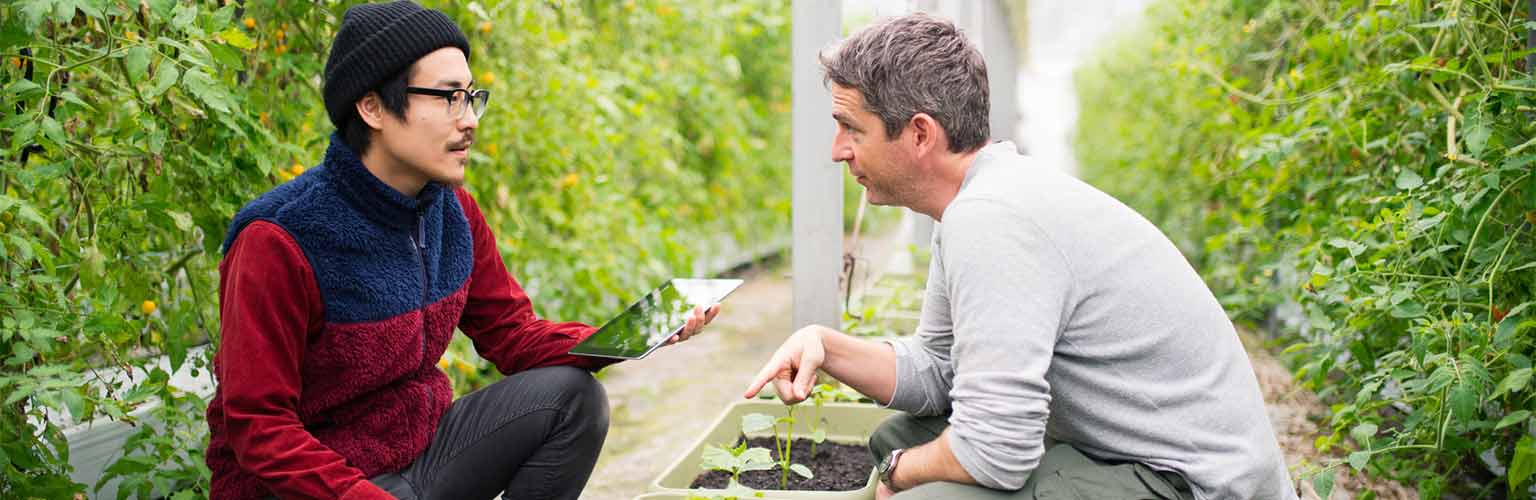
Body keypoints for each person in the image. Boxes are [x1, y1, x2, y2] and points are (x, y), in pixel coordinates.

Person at [744, 13, 1296, 500]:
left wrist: (897, 474)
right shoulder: (977, 201)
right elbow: (939, 370)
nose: (836, 149)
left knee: (916, 489)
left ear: (918, 135)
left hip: (1191, 483)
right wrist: (825, 343)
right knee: (898, 435)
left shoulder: (995, 223)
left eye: (850, 128)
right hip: (1124, 451)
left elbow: (996, 450)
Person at [204, 2, 718, 498]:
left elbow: (512, 336)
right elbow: (260, 429)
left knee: (572, 397)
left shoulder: (452, 212)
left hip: (419, 459)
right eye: (448, 97)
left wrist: (629, 337)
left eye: (472, 97)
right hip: (319, 488)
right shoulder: (281, 239)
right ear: (373, 106)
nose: (469, 119)